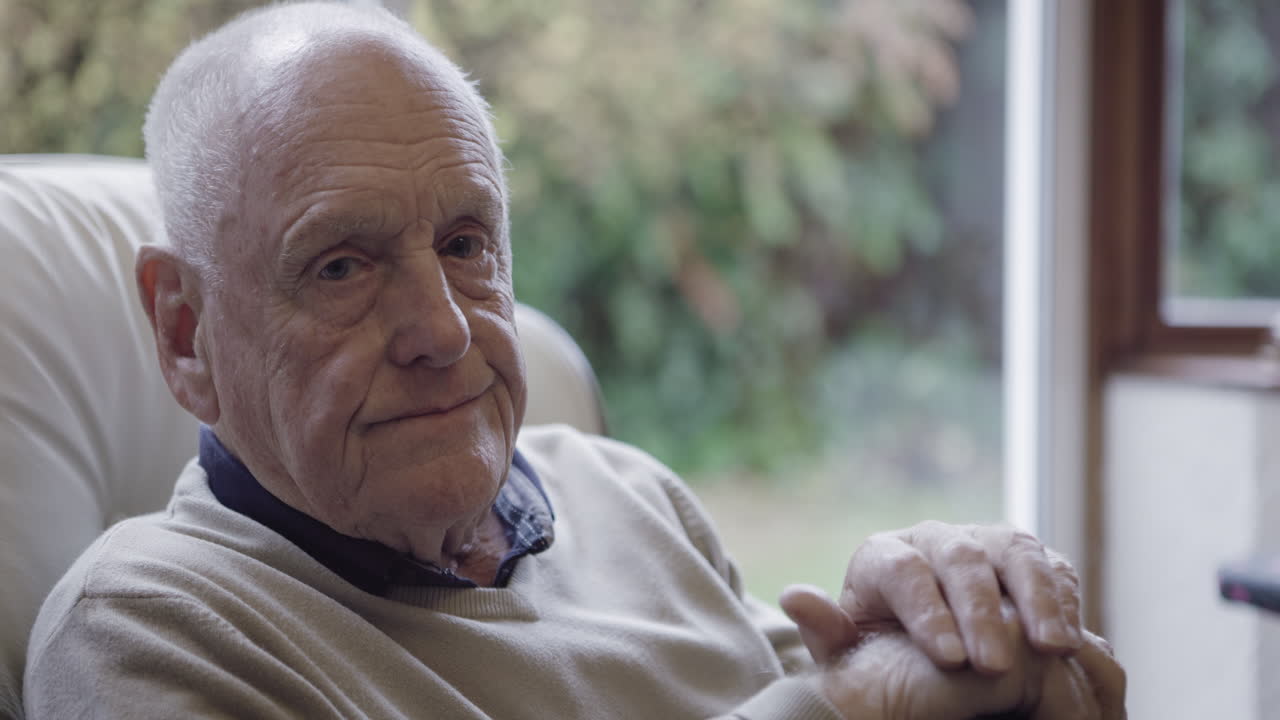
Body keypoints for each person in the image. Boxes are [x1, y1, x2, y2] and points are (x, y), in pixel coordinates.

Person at [22, 3, 1124, 718]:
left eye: (465, 245)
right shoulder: (141, 630)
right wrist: (848, 712)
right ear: (183, 333)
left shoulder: (623, 491)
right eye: (342, 267)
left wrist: (981, 651)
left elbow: (853, 676)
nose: (444, 329)